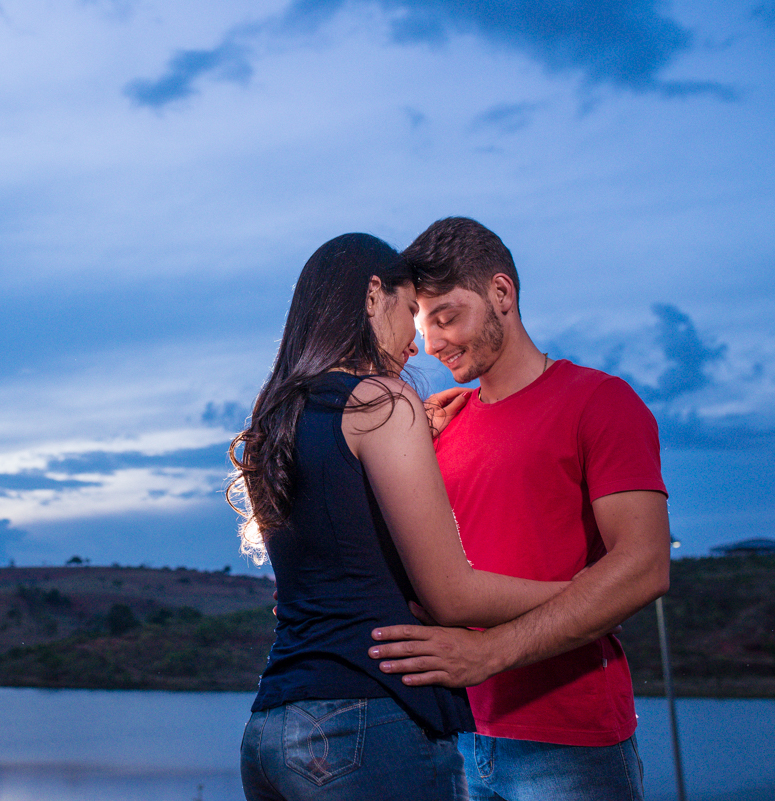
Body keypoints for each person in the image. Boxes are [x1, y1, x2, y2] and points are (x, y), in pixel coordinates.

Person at [232, 233, 568, 801]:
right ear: (372, 295)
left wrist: (413, 442)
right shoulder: (382, 402)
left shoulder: (276, 422)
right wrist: (580, 594)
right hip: (367, 722)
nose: (417, 343)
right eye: (411, 312)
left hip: (272, 732)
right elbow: (451, 597)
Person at [369, 217, 671, 801]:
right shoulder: (437, 428)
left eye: (447, 316)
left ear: (501, 294)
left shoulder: (600, 401)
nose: (431, 343)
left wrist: (487, 652)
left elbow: (645, 566)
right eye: (421, 324)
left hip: (570, 742)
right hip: (453, 735)